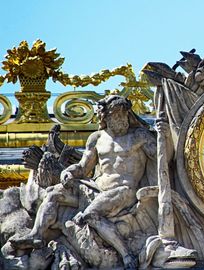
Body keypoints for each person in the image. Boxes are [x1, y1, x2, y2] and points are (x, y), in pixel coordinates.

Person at [11, 95, 160, 269]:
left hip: (124, 190)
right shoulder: (96, 139)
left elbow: (162, 157)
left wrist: (163, 136)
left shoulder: (139, 136)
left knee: (90, 214)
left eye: (124, 114)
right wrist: (69, 171)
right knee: (53, 193)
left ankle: (126, 255)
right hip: (95, 187)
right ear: (105, 117)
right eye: (116, 115)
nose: (122, 118)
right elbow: (83, 168)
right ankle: (36, 234)